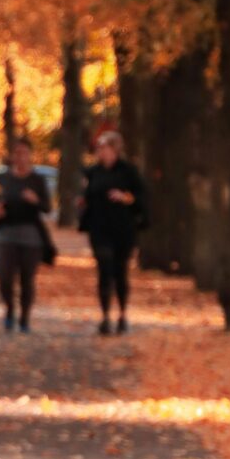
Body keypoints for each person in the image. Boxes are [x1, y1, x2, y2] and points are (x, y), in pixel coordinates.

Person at [78, 124, 149, 335]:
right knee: (104, 269)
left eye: (104, 148)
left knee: (120, 272)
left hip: (123, 228)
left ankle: (123, 314)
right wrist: (82, 202)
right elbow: (88, 195)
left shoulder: (129, 171)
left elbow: (142, 198)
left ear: (115, 150)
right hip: (99, 227)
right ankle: (105, 315)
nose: (100, 152)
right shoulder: (92, 172)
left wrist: (125, 197)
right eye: (99, 148)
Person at [0, 135, 56, 332]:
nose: (20, 157)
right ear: (11, 156)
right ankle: (9, 308)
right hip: (5, 233)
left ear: (30, 155)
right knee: (4, 278)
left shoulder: (38, 180)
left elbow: (47, 208)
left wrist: (35, 200)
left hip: (30, 236)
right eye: (16, 153)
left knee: (27, 279)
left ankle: (24, 317)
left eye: (24, 153)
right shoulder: (3, 178)